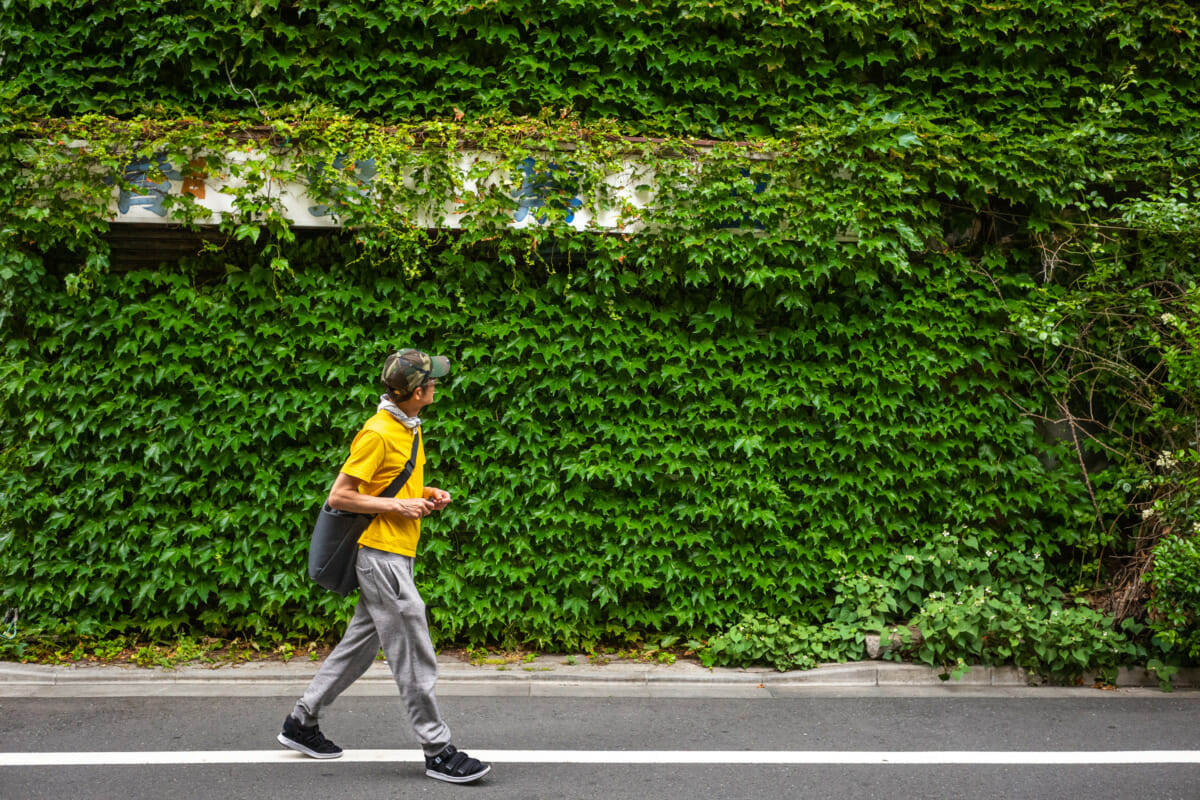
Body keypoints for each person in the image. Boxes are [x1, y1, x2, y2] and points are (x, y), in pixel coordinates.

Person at [277, 348, 490, 785]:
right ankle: (437, 749)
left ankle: (302, 722)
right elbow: (341, 495)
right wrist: (397, 504)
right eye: (432, 382)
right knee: (413, 651)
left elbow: (390, 482)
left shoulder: (406, 425)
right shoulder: (378, 432)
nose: (436, 387)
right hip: (380, 556)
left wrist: (425, 492)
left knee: (357, 647)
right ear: (416, 392)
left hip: (395, 554)